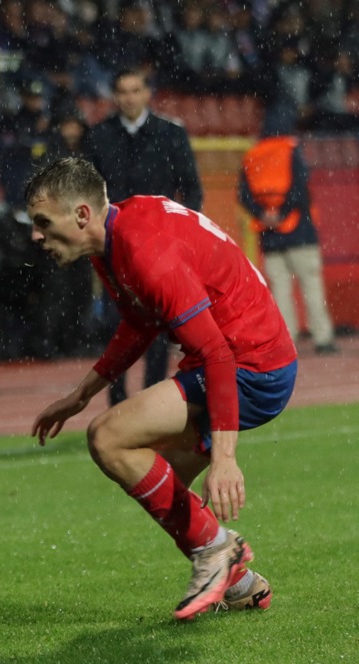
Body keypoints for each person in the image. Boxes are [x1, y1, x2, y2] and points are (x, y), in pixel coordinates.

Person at [27, 158, 296, 621]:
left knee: (108, 438)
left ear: (82, 215)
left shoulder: (145, 249)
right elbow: (139, 322)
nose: (36, 236)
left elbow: (217, 354)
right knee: (168, 491)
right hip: (244, 358)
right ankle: (240, 583)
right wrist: (82, 393)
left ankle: (217, 553)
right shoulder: (117, 238)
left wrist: (225, 458)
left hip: (250, 366)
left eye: (42, 223)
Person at [86, 67, 204, 405]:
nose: (128, 98)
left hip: (159, 246)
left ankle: (151, 399)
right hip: (113, 246)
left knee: (159, 326)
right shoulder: (99, 136)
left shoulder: (171, 134)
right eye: (122, 91)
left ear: (147, 93)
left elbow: (192, 189)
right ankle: (118, 401)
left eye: (135, 90)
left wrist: (181, 234)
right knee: (115, 324)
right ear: (115, 96)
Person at [239, 104, 337, 355]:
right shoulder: (291, 149)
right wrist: (282, 213)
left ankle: (287, 342)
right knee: (311, 285)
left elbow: (243, 195)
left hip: (270, 235)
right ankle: (322, 339)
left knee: (280, 290)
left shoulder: (252, 155)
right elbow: (300, 188)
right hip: (300, 232)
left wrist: (265, 214)